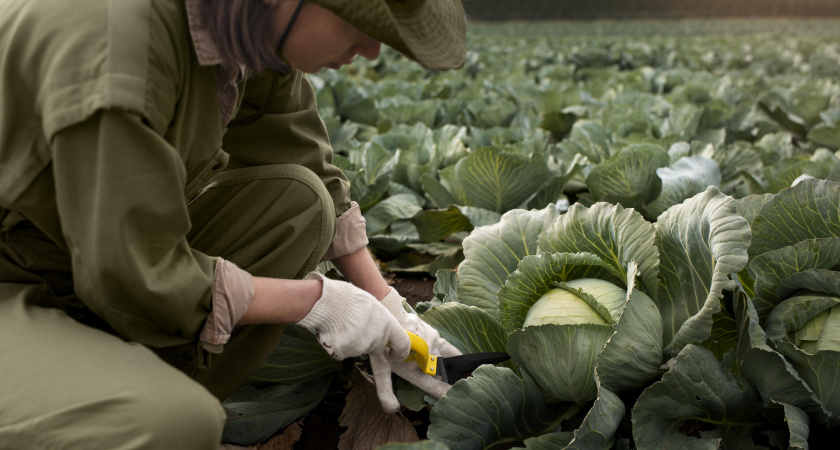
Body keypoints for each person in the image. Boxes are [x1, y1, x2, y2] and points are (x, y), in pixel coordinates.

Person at [0, 0, 467, 448]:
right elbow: (135, 274)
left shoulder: (246, 28)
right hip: (20, 279)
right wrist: (317, 301)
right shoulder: (118, 51)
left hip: (74, 255)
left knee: (300, 204)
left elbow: (303, 155)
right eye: (359, 22)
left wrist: (387, 306)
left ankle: (118, 386)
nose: (370, 50)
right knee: (166, 424)